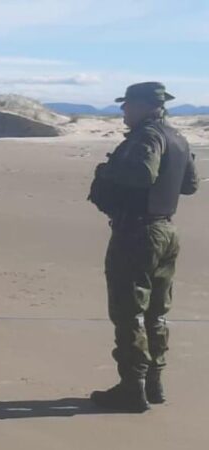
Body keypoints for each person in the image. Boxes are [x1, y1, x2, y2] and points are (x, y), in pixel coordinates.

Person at [88, 82, 200, 412]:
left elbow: (141, 174)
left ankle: (132, 387)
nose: (123, 111)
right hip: (165, 230)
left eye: (127, 105)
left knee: (128, 309)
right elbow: (190, 185)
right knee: (156, 311)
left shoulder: (147, 137)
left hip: (138, 232)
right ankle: (154, 382)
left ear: (143, 105)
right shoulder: (177, 138)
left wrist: (107, 171)